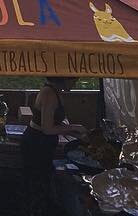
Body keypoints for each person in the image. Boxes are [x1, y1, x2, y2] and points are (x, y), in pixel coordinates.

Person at [19, 77, 83, 211]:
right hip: (36, 143)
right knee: (37, 184)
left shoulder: (55, 91)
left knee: (43, 181)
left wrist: (74, 131)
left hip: (43, 142)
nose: (75, 83)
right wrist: (74, 127)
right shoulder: (49, 94)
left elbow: (53, 122)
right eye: (74, 80)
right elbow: (47, 129)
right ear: (63, 78)